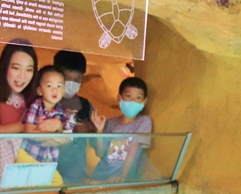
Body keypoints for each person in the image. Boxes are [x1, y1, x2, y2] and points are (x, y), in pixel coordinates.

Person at [53, 50, 104, 184]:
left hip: (77, 177)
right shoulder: (44, 103)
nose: (71, 83)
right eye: (67, 78)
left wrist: (93, 130)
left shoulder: (85, 106)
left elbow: (100, 151)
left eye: (77, 80)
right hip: (49, 175)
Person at [91, 77, 152, 183]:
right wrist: (100, 130)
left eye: (138, 97)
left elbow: (133, 150)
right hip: (100, 176)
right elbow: (100, 153)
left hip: (121, 180)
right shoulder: (110, 123)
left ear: (144, 102)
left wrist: (122, 177)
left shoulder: (144, 121)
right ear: (119, 98)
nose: (133, 101)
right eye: (128, 96)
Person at [0, 40, 38, 170]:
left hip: (28, 166)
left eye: (29, 70)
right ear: (4, 66)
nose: (22, 76)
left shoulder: (36, 96)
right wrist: (22, 126)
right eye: (16, 68)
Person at [20, 65, 74, 166]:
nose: (55, 90)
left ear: (63, 92)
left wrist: (58, 127)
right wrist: (51, 137)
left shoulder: (63, 112)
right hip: (29, 155)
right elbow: (29, 131)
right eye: (49, 86)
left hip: (49, 159)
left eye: (59, 86)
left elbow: (68, 137)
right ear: (39, 90)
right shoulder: (36, 106)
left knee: (56, 181)